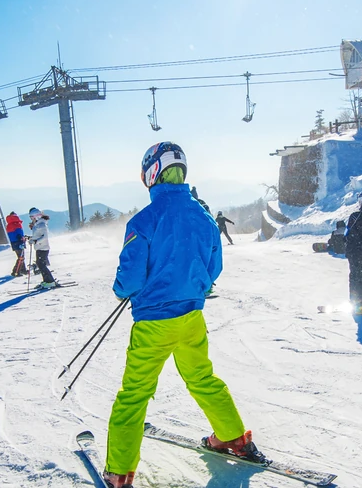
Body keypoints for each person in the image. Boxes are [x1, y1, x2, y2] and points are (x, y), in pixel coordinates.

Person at [102, 142, 265, 488]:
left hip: (153, 325)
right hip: (191, 318)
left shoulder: (143, 220)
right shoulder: (204, 217)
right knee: (202, 378)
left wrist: (122, 290)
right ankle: (233, 437)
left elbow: (130, 278)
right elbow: (214, 266)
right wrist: (194, 286)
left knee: (134, 395)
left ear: (150, 174)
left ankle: (119, 471)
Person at [28, 208, 57, 288]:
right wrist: (32, 239)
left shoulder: (41, 225)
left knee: (41, 264)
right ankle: (46, 280)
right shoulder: (38, 224)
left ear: (36, 216)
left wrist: (35, 241)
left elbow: (45, 237)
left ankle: (50, 281)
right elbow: (38, 235)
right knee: (40, 264)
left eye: (32, 217)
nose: (31, 219)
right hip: (40, 247)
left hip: (43, 248)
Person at [5, 212, 27, 276]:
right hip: (18, 242)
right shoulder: (16, 223)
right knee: (21, 257)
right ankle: (16, 271)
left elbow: (13, 234)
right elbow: (18, 233)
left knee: (20, 257)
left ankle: (22, 270)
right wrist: (21, 238)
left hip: (14, 242)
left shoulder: (10, 224)